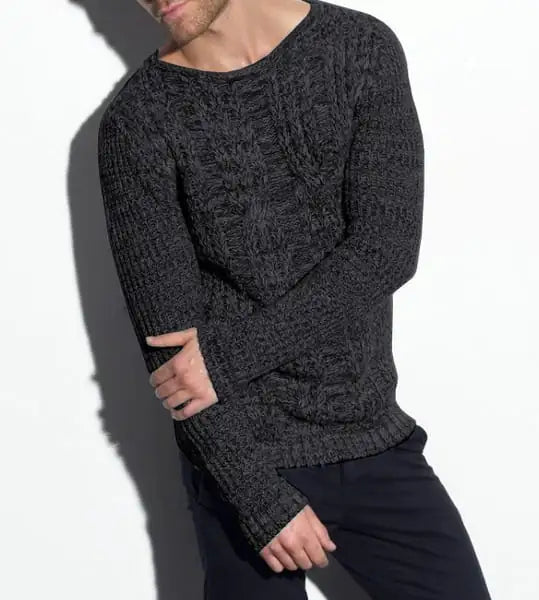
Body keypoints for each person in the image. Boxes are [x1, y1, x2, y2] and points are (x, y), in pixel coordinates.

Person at [97, 0, 492, 597]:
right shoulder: (138, 120)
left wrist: (225, 359)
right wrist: (257, 499)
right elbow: (171, 357)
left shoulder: (357, 48)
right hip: (238, 458)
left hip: (371, 438)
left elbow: (385, 250)